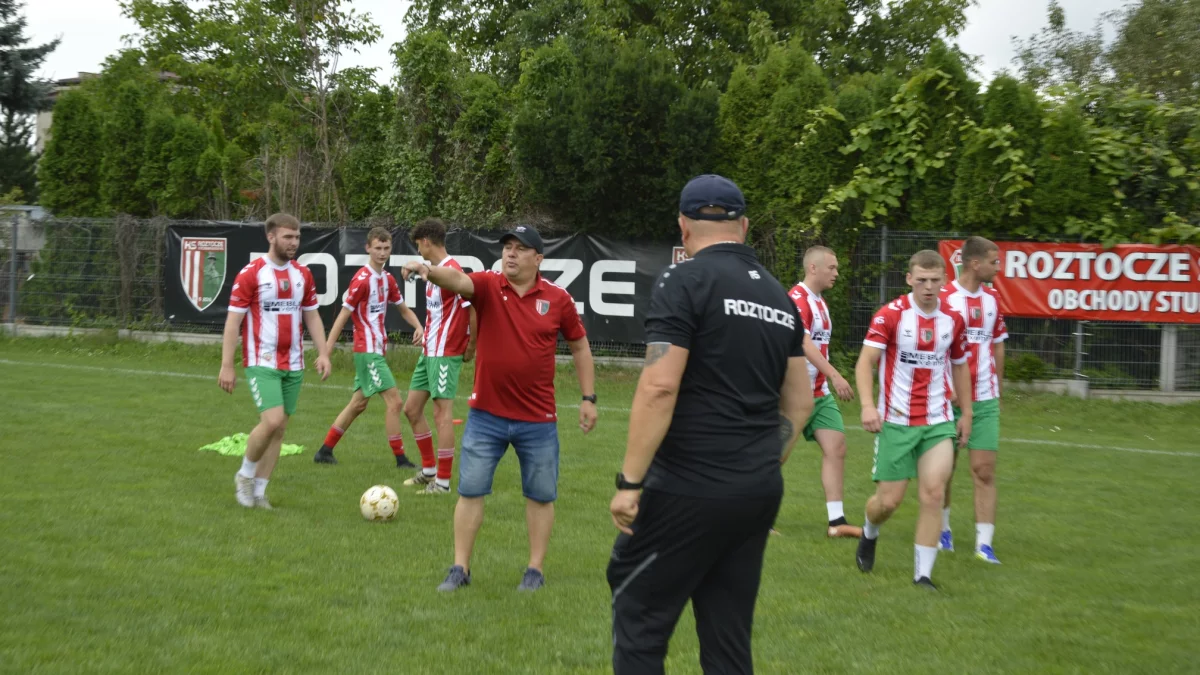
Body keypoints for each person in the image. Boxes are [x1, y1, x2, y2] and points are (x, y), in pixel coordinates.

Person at [607, 174, 814, 675]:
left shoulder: (684, 280)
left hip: (689, 487)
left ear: (683, 226)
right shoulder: (780, 298)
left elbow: (659, 386)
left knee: (639, 615)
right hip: (757, 491)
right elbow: (799, 403)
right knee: (727, 637)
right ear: (744, 226)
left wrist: (630, 483)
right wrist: (761, 461)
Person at [401, 224, 597, 593]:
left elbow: (580, 346)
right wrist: (427, 269)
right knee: (470, 491)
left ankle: (534, 571)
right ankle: (460, 568)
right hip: (486, 416)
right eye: (507, 247)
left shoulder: (558, 299)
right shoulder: (489, 286)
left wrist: (588, 398)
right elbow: (458, 280)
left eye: (520, 248)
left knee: (540, 496)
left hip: (538, 419)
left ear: (538, 259)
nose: (511, 253)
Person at [854, 250, 972, 591]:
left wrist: (967, 413)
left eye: (935, 280)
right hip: (896, 421)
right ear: (909, 279)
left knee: (933, 494)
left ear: (944, 280)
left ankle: (923, 576)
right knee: (888, 502)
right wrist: (867, 405)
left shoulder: (953, 319)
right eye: (921, 280)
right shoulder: (890, 315)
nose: (928, 287)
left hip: (938, 420)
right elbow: (865, 362)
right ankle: (869, 531)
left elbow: (960, 366)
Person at [219, 213, 332, 509]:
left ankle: (260, 492)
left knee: (280, 429)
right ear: (271, 237)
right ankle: (244, 475)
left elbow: (312, 315)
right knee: (271, 421)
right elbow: (233, 322)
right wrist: (227, 365)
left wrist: (323, 353)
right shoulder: (251, 273)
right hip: (261, 360)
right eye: (288, 237)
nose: (294, 242)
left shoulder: (303, 275)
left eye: (297, 237)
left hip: (293, 362)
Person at [312, 227, 424, 468]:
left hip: (376, 350)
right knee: (395, 402)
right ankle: (401, 459)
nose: (382, 253)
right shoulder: (362, 280)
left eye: (386, 248)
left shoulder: (387, 279)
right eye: (378, 248)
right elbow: (342, 316)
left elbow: (403, 309)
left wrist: (418, 326)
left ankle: (324, 451)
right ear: (368, 249)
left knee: (358, 404)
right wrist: (325, 353)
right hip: (368, 352)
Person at [939, 236, 1008, 563]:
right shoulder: (944, 298)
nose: (999, 268)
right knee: (943, 470)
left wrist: (999, 391)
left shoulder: (993, 299)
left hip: (985, 399)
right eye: (994, 262)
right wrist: (945, 389)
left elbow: (998, 345)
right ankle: (942, 529)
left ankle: (984, 544)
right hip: (948, 401)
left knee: (984, 470)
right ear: (974, 263)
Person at [788, 246, 861, 538]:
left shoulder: (819, 302)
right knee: (775, 456)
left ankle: (836, 522)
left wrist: (826, 379)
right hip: (792, 395)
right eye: (832, 267)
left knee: (837, 447)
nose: (837, 273)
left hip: (818, 393)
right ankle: (758, 519)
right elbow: (803, 343)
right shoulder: (797, 299)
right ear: (813, 268)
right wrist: (835, 374)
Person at [401, 218, 478, 494]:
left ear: (425, 242)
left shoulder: (453, 271)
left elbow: (473, 309)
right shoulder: (433, 273)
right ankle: (429, 470)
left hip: (446, 353)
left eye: (418, 245)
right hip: (429, 352)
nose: (418, 251)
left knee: (441, 413)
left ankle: (443, 483)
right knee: (411, 409)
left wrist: (471, 345)